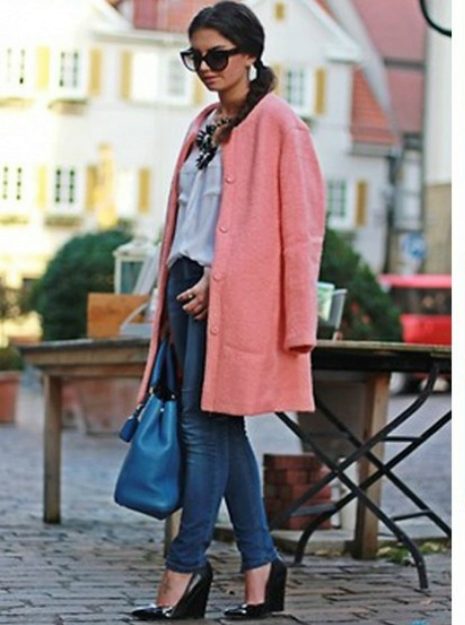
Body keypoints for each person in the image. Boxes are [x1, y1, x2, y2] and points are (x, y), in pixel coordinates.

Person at [131, 1, 326, 620]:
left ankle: (184, 568)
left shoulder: (280, 124)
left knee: (201, 426)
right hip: (185, 286)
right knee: (220, 427)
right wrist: (170, 286)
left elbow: (299, 229)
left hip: (232, 296)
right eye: (195, 57)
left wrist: (226, 281)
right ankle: (261, 568)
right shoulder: (204, 123)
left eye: (217, 55)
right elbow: (191, 218)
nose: (206, 67)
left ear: (250, 55)